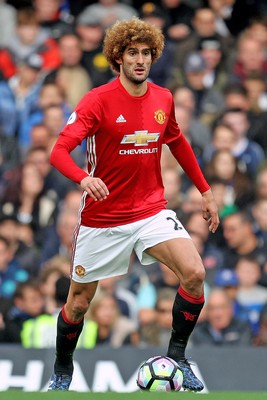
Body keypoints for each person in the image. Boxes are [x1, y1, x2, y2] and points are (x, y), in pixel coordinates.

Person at [47, 17, 219, 392]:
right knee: (78, 304)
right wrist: (83, 178)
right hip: (103, 218)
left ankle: (177, 357)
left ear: (153, 56)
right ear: (117, 58)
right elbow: (58, 151)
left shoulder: (163, 98)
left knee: (194, 273)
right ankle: (62, 370)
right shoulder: (97, 101)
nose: (140, 60)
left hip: (151, 211)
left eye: (146, 53)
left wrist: (205, 191)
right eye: (132, 53)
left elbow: (177, 142)